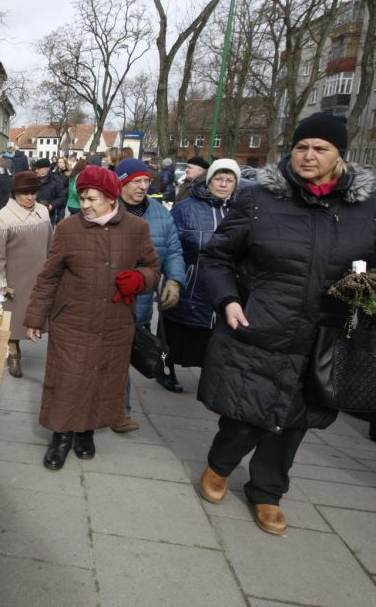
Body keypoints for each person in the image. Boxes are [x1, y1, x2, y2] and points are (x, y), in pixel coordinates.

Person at [197, 113, 376, 535]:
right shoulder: (259, 199)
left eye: (320, 148)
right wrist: (227, 299)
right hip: (261, 325)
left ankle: (267, 491)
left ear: (339, 155)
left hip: (323, 334)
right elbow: (216, 256)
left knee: (295, 419)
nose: (308, 155)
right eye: (301, 147)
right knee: (244, 413)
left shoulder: (366, 209)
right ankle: (219, 466)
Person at [24, 166, 161, 470]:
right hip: (73, 319)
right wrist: (36, 318)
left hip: (114, 323)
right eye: (82, 197)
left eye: (91, 198)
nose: (84, 204)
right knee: (68, 380)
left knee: (102, 380)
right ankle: (61, 437)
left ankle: (86, 433)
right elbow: (49, 277)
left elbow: (153, 267)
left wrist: (140, 279)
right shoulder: (69, 228)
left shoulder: (137, 229)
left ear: (112, 198)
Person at [113, 158, 187, 431]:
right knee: (108, 360)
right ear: (121, 182)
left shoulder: (159, 213)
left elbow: (174, 250)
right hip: (109, 300)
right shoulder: (107, 209)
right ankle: (114, 410)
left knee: (123, 360)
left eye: (146, 181)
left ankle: (120, 411)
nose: (143, 186)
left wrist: (175, 280)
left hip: (141, 303)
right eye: (136, 181)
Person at [162, 159, 240, 373]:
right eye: (218, 179)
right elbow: (170, 245)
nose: (223, 184)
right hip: (188, 282)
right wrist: (173, 277)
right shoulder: (186, 208)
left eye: (229, 180)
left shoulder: (240, 212)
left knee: (210, 338)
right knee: (172, 334)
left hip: (218, 289)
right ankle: (165, 369)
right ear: (209, 180)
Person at [0, 171, 53, 378]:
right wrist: (0, 284)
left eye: (34, 192)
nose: (30, 197)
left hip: (40, 275)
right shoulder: (2, 218)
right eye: (25, 193)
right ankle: (13, 353)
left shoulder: (43, 211)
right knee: (13, 320)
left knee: (40, 314)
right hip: (14, 278)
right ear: (15, 193)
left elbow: (51, 243)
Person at [33, 158, 66, 224]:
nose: (36, 170)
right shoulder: (32, 179)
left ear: (46, 169)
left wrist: (52, 205)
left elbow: (62, 197)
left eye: (38, 169)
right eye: (35, 169)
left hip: (49, 216)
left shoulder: (56, 180)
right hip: (33, 214)